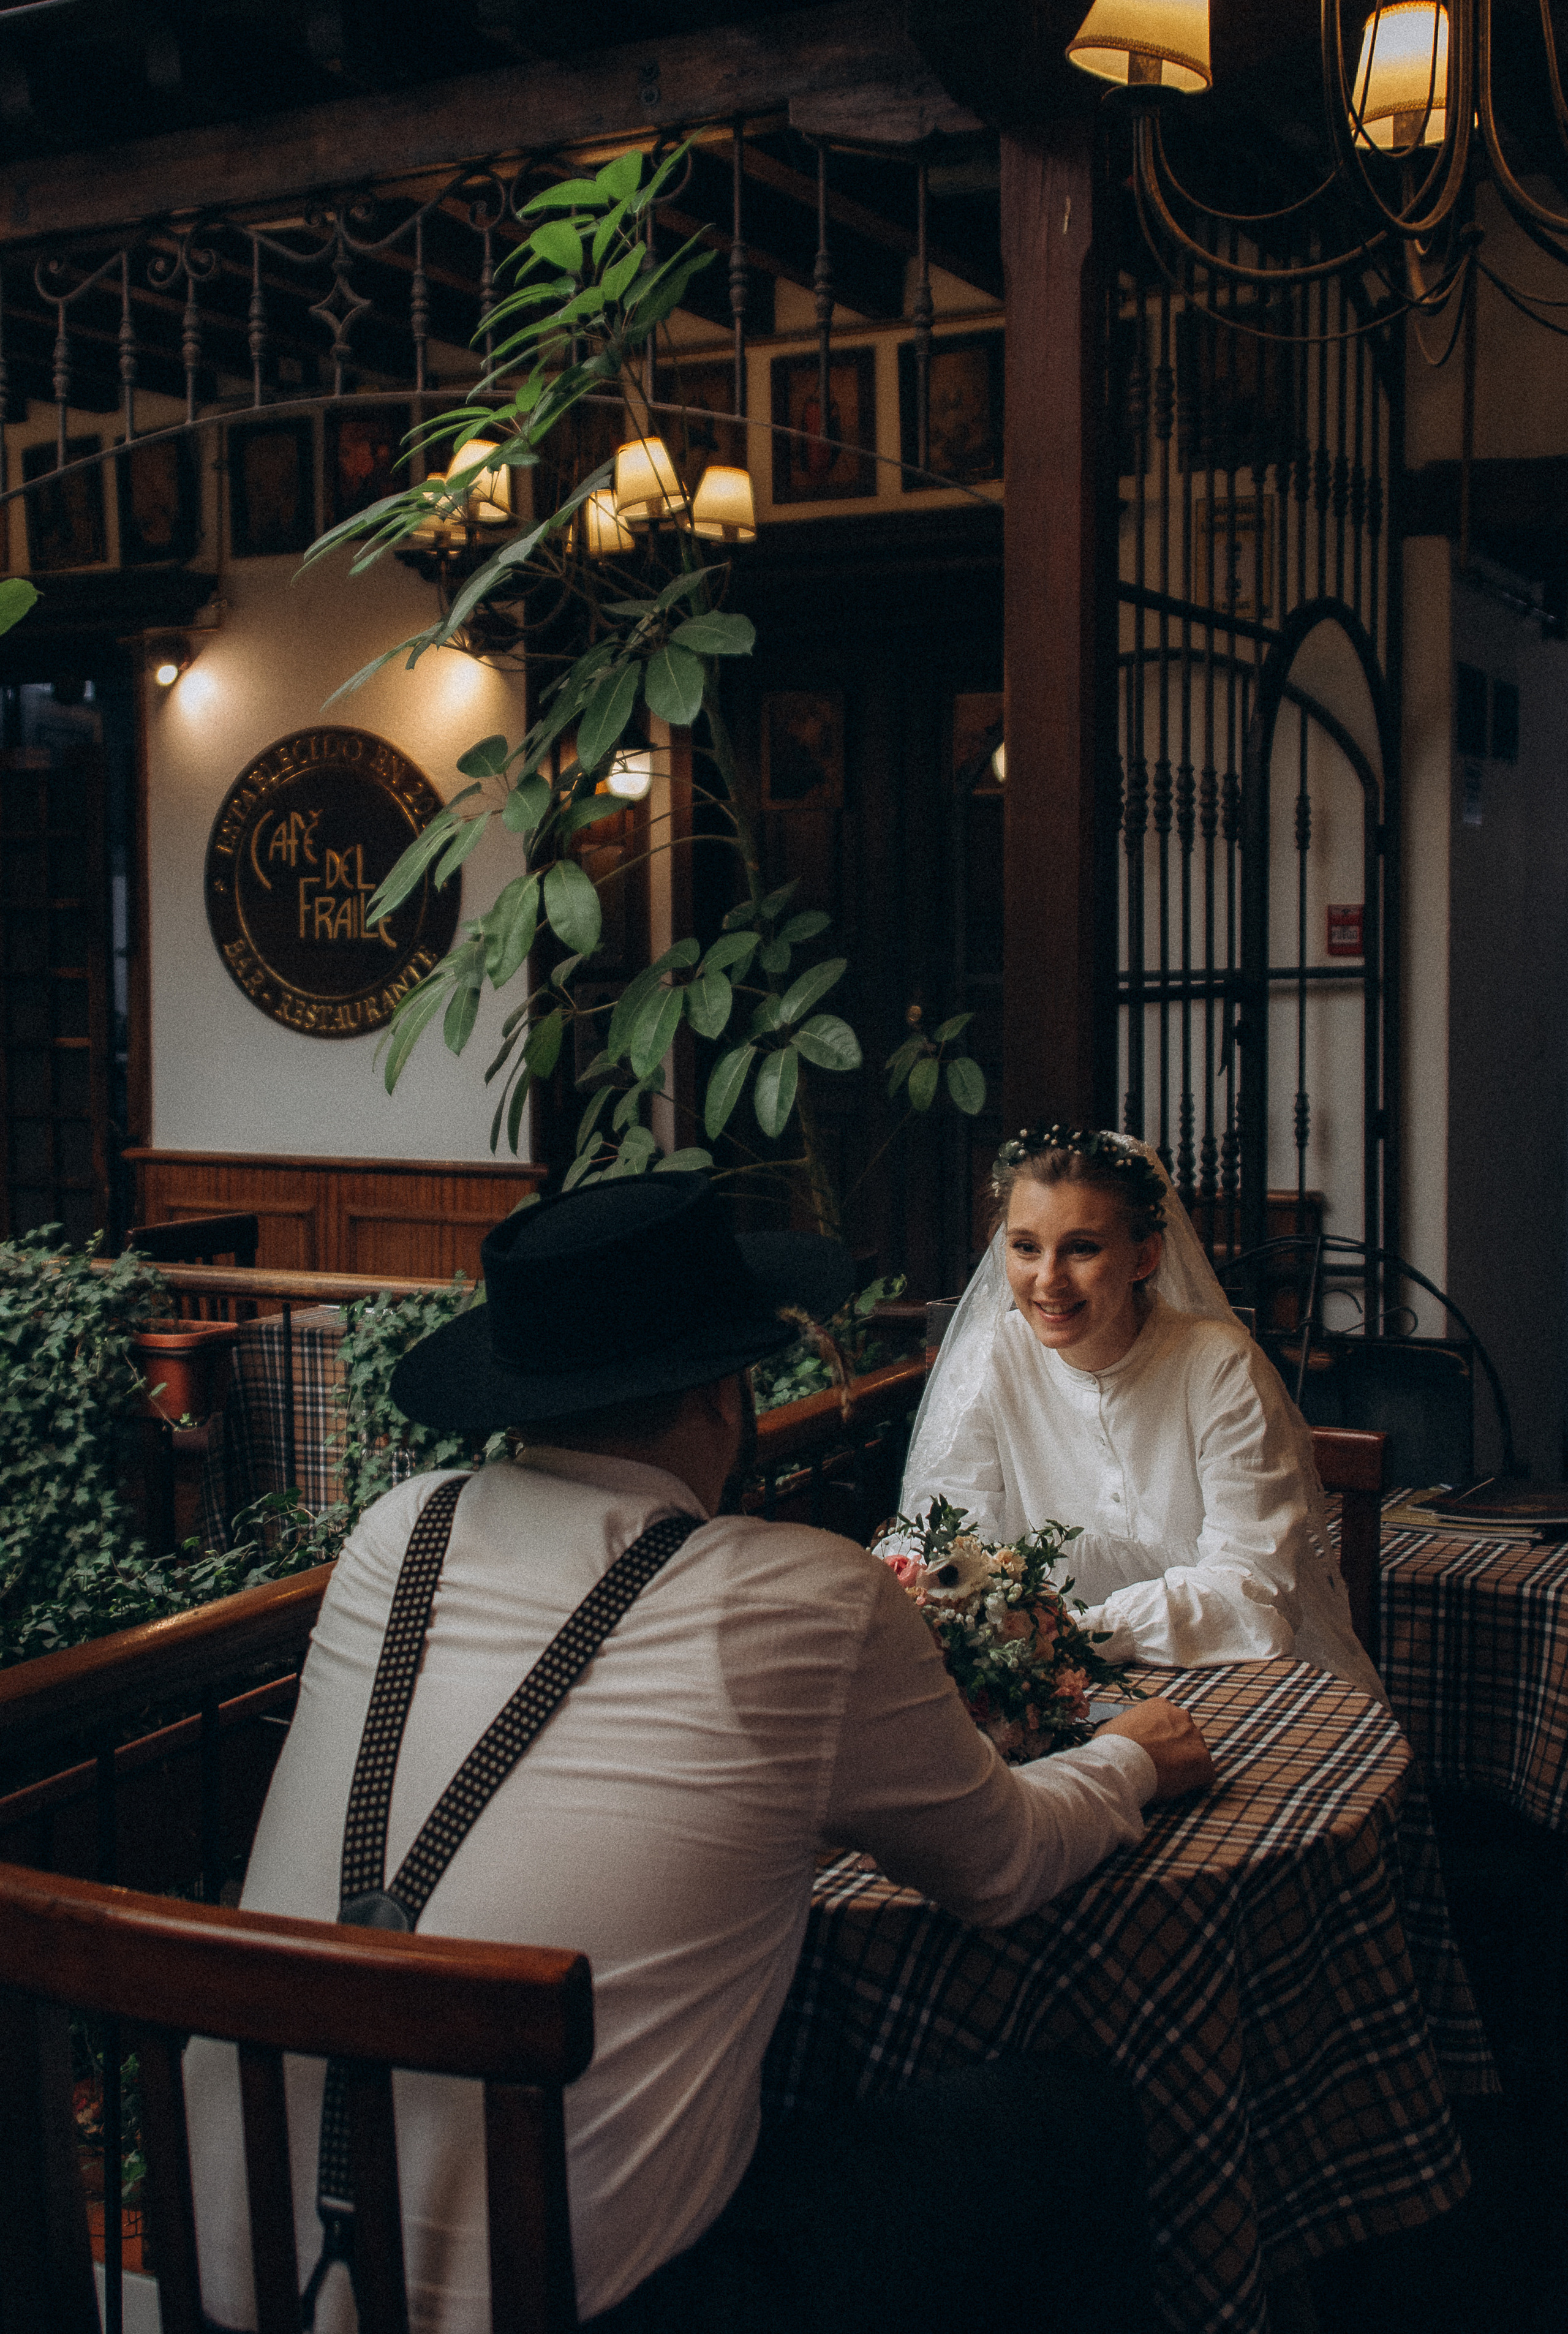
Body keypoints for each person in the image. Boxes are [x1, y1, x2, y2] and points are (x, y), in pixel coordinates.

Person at [183, 1172, 1212, 2333]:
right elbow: (1002, 1866)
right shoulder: (803, 1594)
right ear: (728, 1393)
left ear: (521, 1395)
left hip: (245, 2281)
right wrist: (1129, 1757)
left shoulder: (396, 1531)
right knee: (1072, 2118)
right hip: (597, 2308)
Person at [900, 1125, 1384, 1701]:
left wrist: (1077, 1632)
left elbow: (1254, 1587)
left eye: (1082, 1247)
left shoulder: (1221, 1368)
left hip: (1231, 1672)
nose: (1048, 1279)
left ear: (1145, 1254)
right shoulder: (989, 1360)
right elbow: (952, 1542)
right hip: (1041, 1679)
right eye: (1026, 1246)